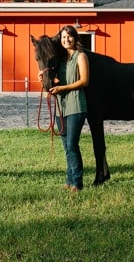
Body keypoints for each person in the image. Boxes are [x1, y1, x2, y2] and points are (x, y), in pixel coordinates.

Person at [40, 25, 90, 191]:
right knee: (66, 146)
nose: (66, 40)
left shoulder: (80, 57)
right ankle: (69, 180)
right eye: (63, 37)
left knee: (72, 145)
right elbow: (53, 79)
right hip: (61, 107)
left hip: (76, 106)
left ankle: (77, 182)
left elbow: (84, 81)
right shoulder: (60, 61)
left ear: (75, 38)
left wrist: (62, 89)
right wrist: (43, 77)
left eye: (69, 37)